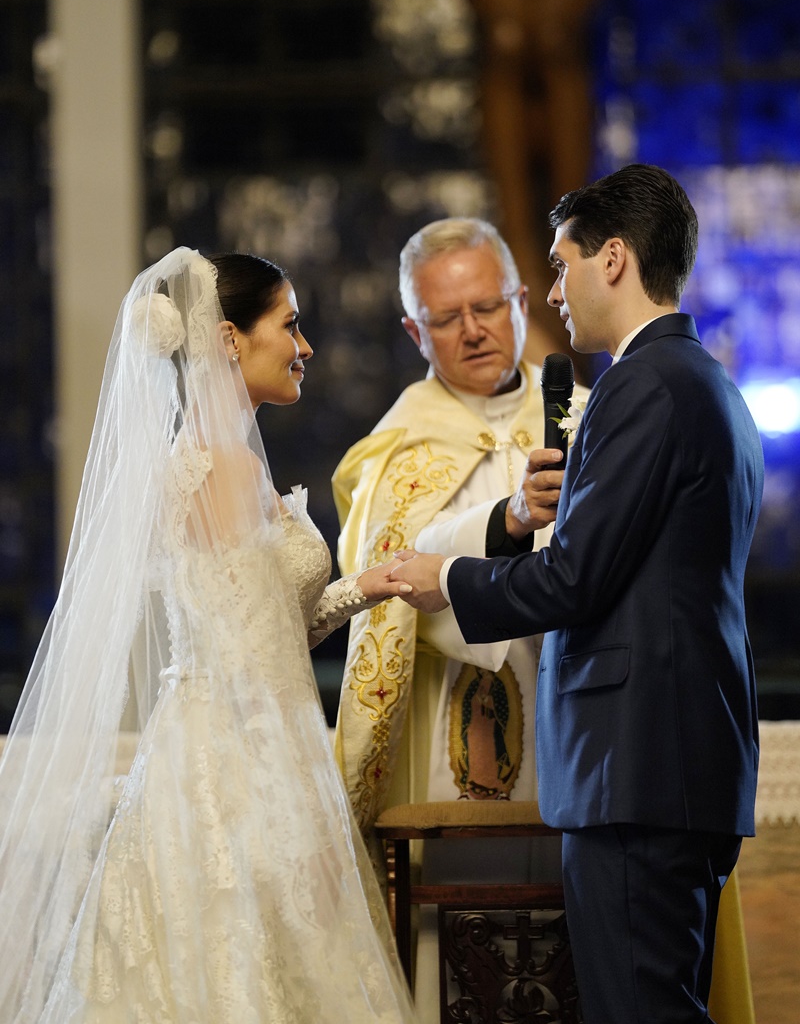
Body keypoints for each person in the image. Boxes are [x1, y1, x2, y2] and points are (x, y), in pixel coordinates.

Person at [0, 247, 417, 1023]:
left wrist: (365, 586)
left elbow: (262, 627)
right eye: (290, 325)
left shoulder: (211, 462)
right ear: (230, 339)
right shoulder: (220, 468)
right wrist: (302, 820)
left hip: (212, 745)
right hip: (239, 769)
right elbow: (254, 666)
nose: (306, 347)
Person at [388, 165, 764, 1024]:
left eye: (561, 267)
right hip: (667, 758)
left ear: (616, 259)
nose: (555, 293)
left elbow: (576, 577)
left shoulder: (645, 385)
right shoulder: (704, 381)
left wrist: (445, 577)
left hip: (638, 764)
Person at [332, 217, 573, 1017]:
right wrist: (503, 522)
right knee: (457, 959)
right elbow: (389, 572)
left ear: (521, 300)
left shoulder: (580, 410)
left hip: (574, 721)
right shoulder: (399, 445)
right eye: (446, 317)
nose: (473, 330)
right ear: (414, 329)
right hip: (445, 731)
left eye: (488, 305)